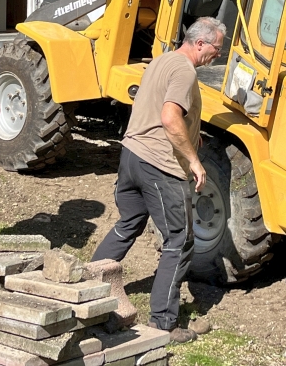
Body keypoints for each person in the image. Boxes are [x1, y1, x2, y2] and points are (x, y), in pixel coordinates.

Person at [91, 17, 225, 344]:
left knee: (130, 223)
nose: (217, 57)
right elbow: (168, 116)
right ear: (200, 44)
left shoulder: (161, 61)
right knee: (179, 239)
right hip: (159, 166)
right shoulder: (185, 70)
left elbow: (154, 108)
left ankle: (85, 285)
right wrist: (194, 160)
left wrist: (193, 134)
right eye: (216, 49)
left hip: (131, 156)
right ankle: (163, 322)